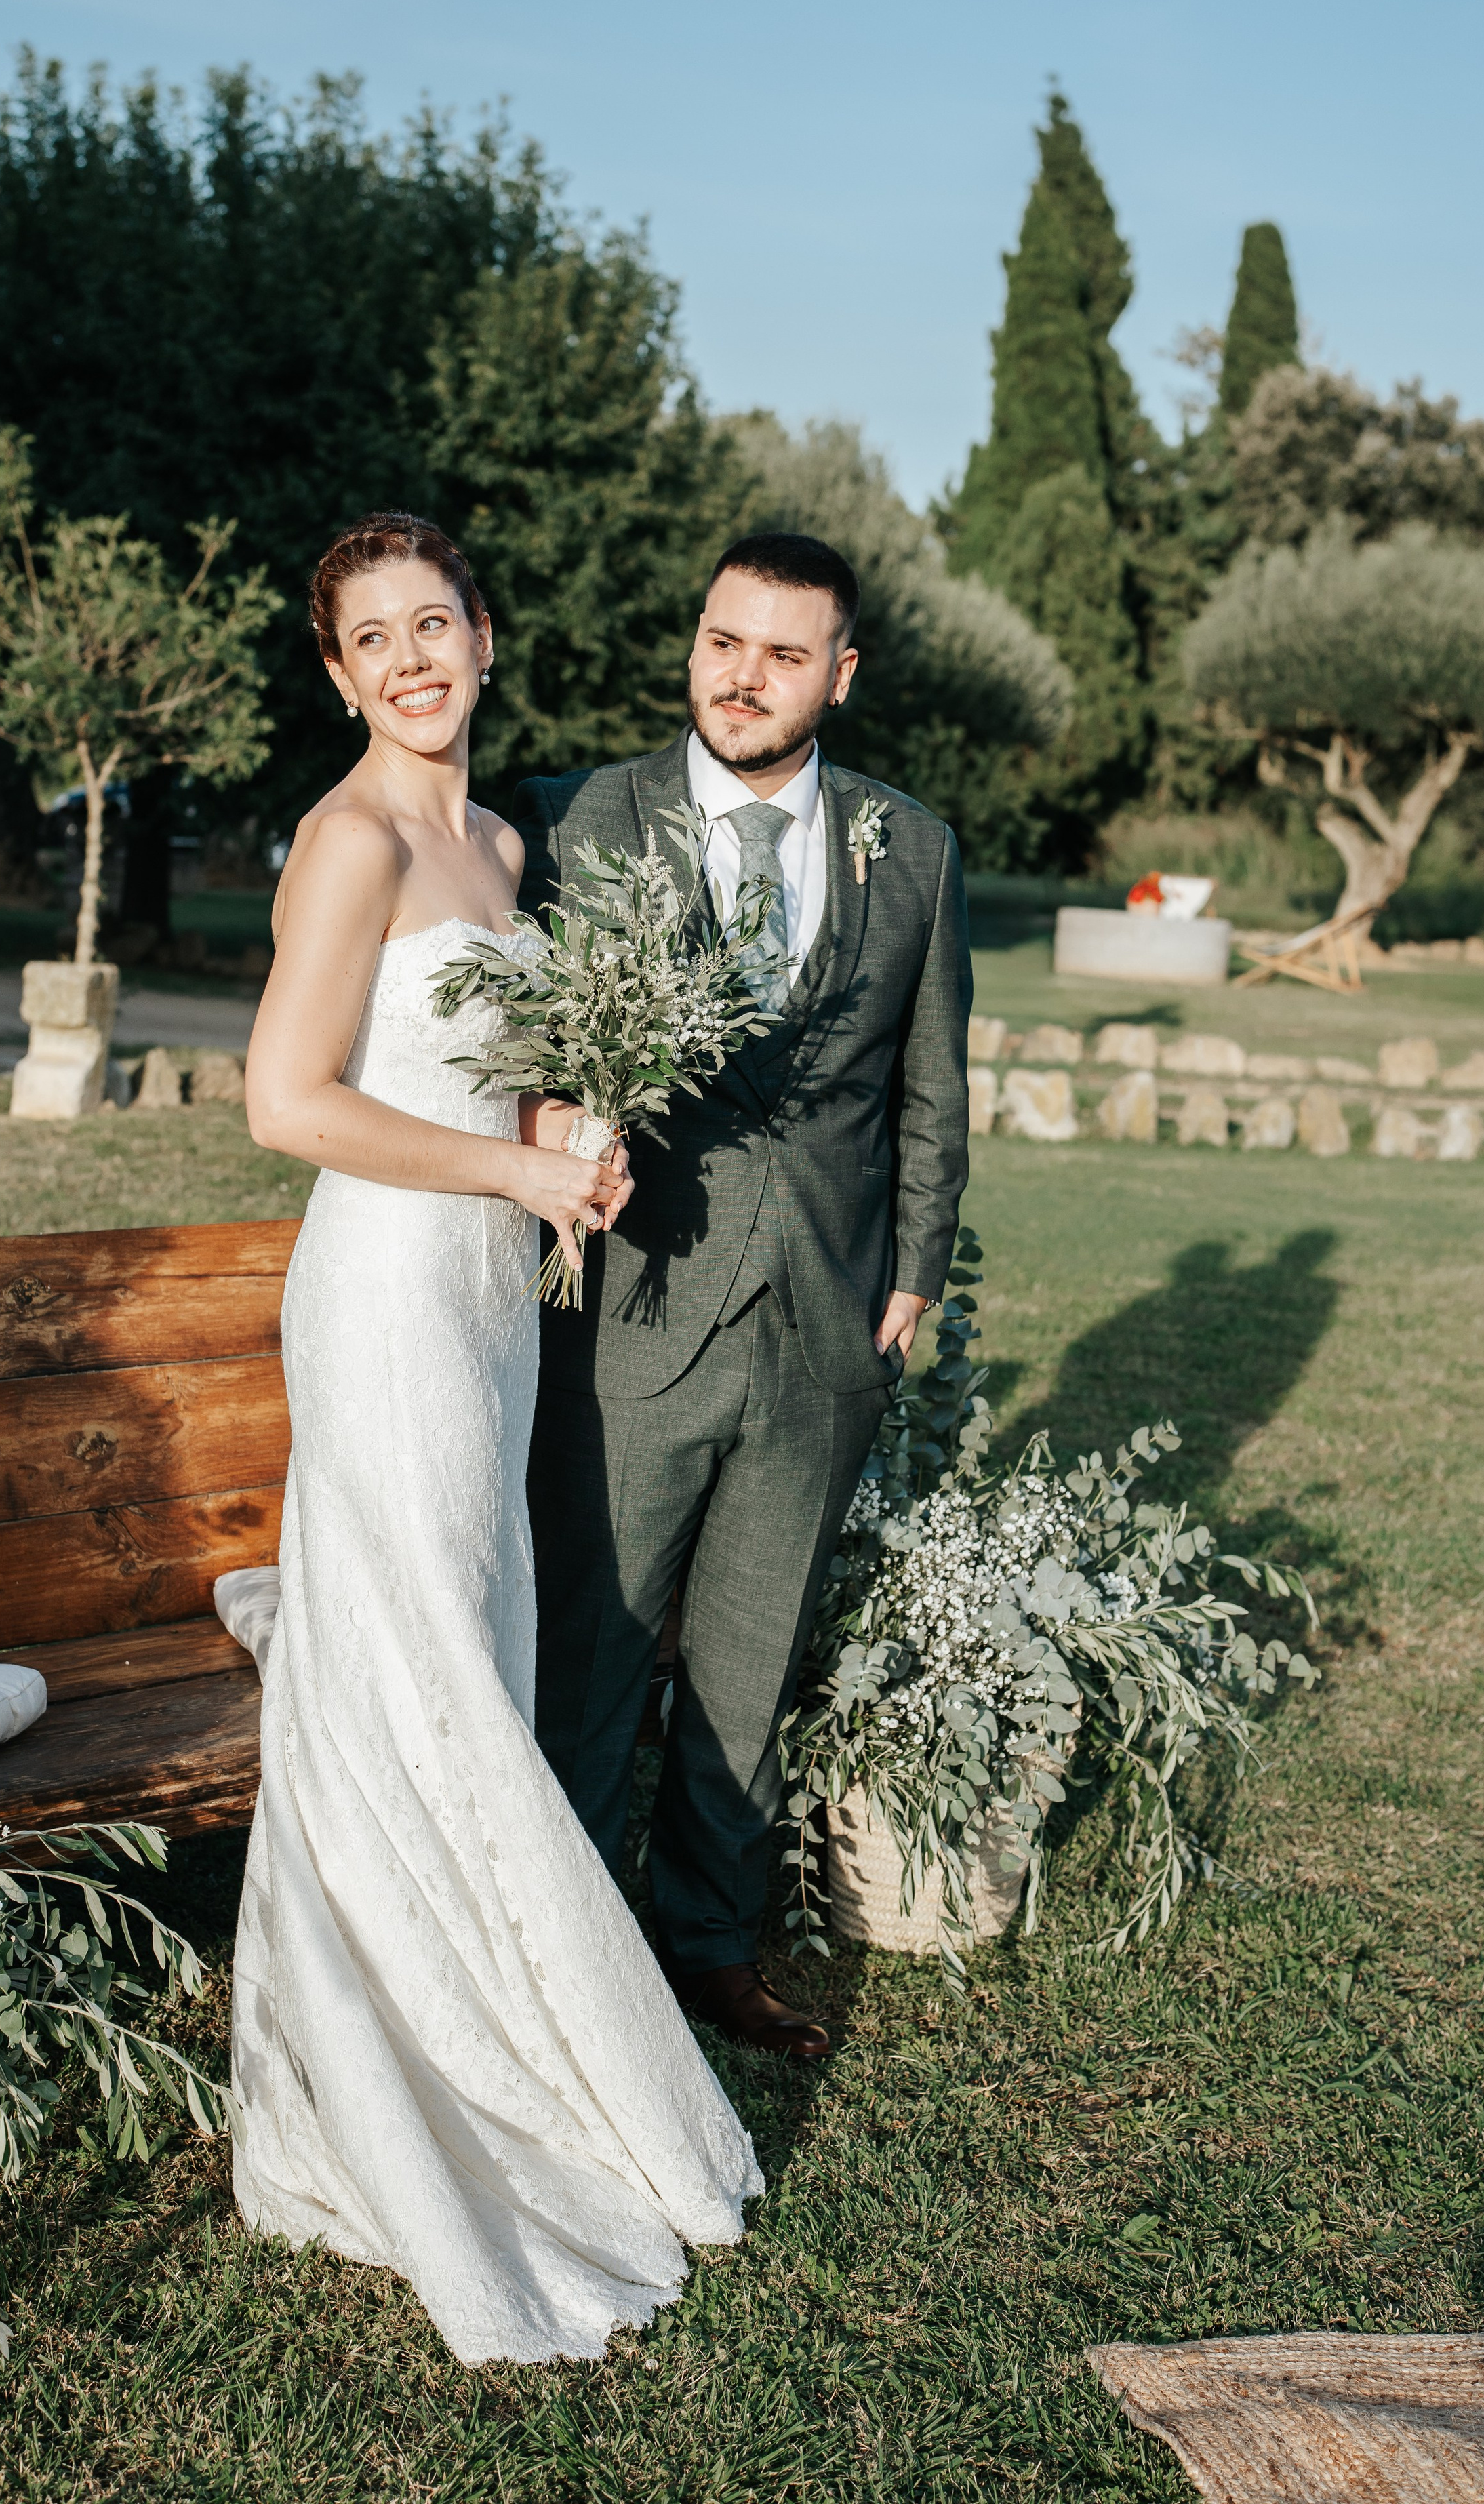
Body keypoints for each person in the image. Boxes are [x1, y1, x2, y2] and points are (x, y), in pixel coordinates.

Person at [230, 511, 762, 2367]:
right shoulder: (353, 837)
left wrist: (564, 1162)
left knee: (469, 1640)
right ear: (336, 671)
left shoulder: (506, 840)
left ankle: (488, 2030)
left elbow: (498, 1069)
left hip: (482, 1306)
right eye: (369, 638)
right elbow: (286, 1101)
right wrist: (507, 1160)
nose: (408, 660)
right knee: (419, 1672)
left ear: (482, 631)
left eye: (432, 622)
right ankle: (422, 2085)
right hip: (381, 1304)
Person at [516, 532, 971, 2064]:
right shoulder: (582, 819)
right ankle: (560, 1959)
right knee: (588, 1656)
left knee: (750, 1661)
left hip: (825, 1324)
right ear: (694, 642)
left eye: (782, 654)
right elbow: (506, 1050)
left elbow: (929, 1083)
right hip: (631, 1314)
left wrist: (914, 1265)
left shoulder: (909, 847)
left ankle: (707, 1946)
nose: (742, 675)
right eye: (723, 640)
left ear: (837, 675)